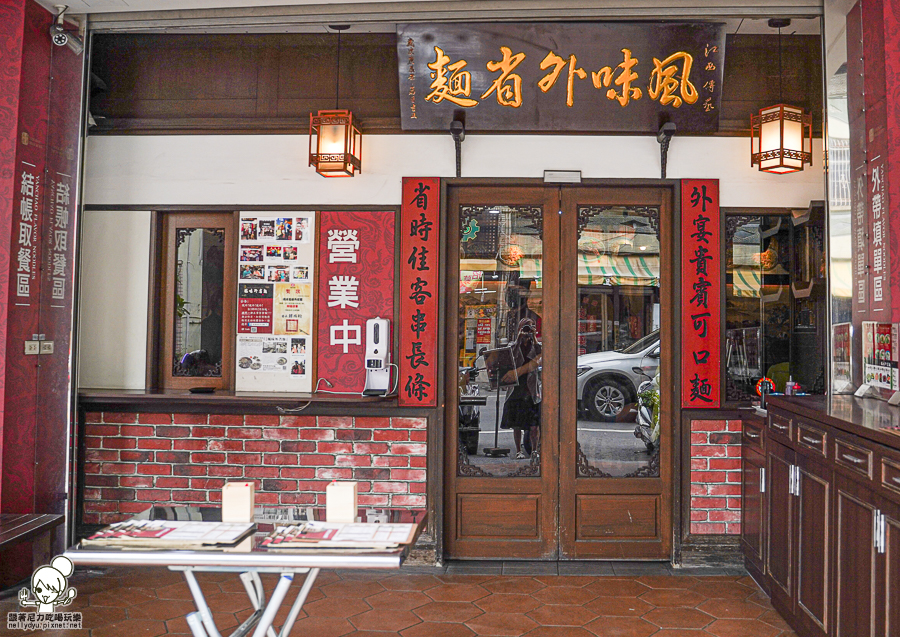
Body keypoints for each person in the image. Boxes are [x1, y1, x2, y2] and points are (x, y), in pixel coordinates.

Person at [499, 318, 542, 459]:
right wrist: (519, 338)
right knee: (517, 424)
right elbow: (511, 354)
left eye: (531, 327)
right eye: (526, 328)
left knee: (534, 425)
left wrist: (534, 337)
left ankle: (535, 450)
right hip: (517, 388)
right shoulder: (514, 344)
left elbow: (540, 354)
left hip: (531, 388)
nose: (528, 331)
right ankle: (518, 450)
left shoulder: (535, 344)